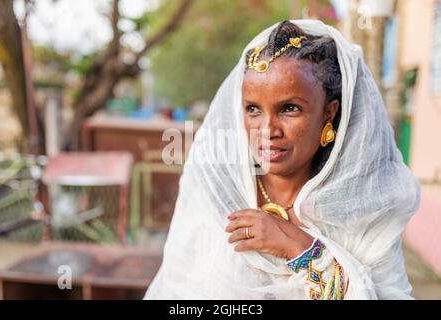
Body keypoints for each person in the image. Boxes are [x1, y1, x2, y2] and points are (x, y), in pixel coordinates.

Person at [143, 20, 420, 300]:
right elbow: (178, 290)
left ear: (329, 112)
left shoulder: (362, 210)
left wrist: (299, 248)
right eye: (253, 109)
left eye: (289, 108)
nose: (267, 130)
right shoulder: (216, 195)